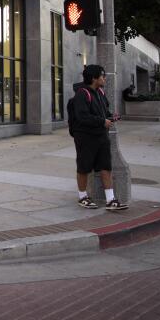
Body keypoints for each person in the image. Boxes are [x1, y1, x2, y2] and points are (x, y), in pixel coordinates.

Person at [70, 65, 128, 211]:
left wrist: (110, 117)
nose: (104, 78)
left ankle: (110, 200)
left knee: (105, 166)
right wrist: (102, 121)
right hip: (85, 137)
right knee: (84, 167)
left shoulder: (100, 92)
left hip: (102, 136)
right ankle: (83, 197)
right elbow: (82, 117)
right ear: (94, 78)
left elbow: (104, 112)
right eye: (102, 75)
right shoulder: (82, 94)